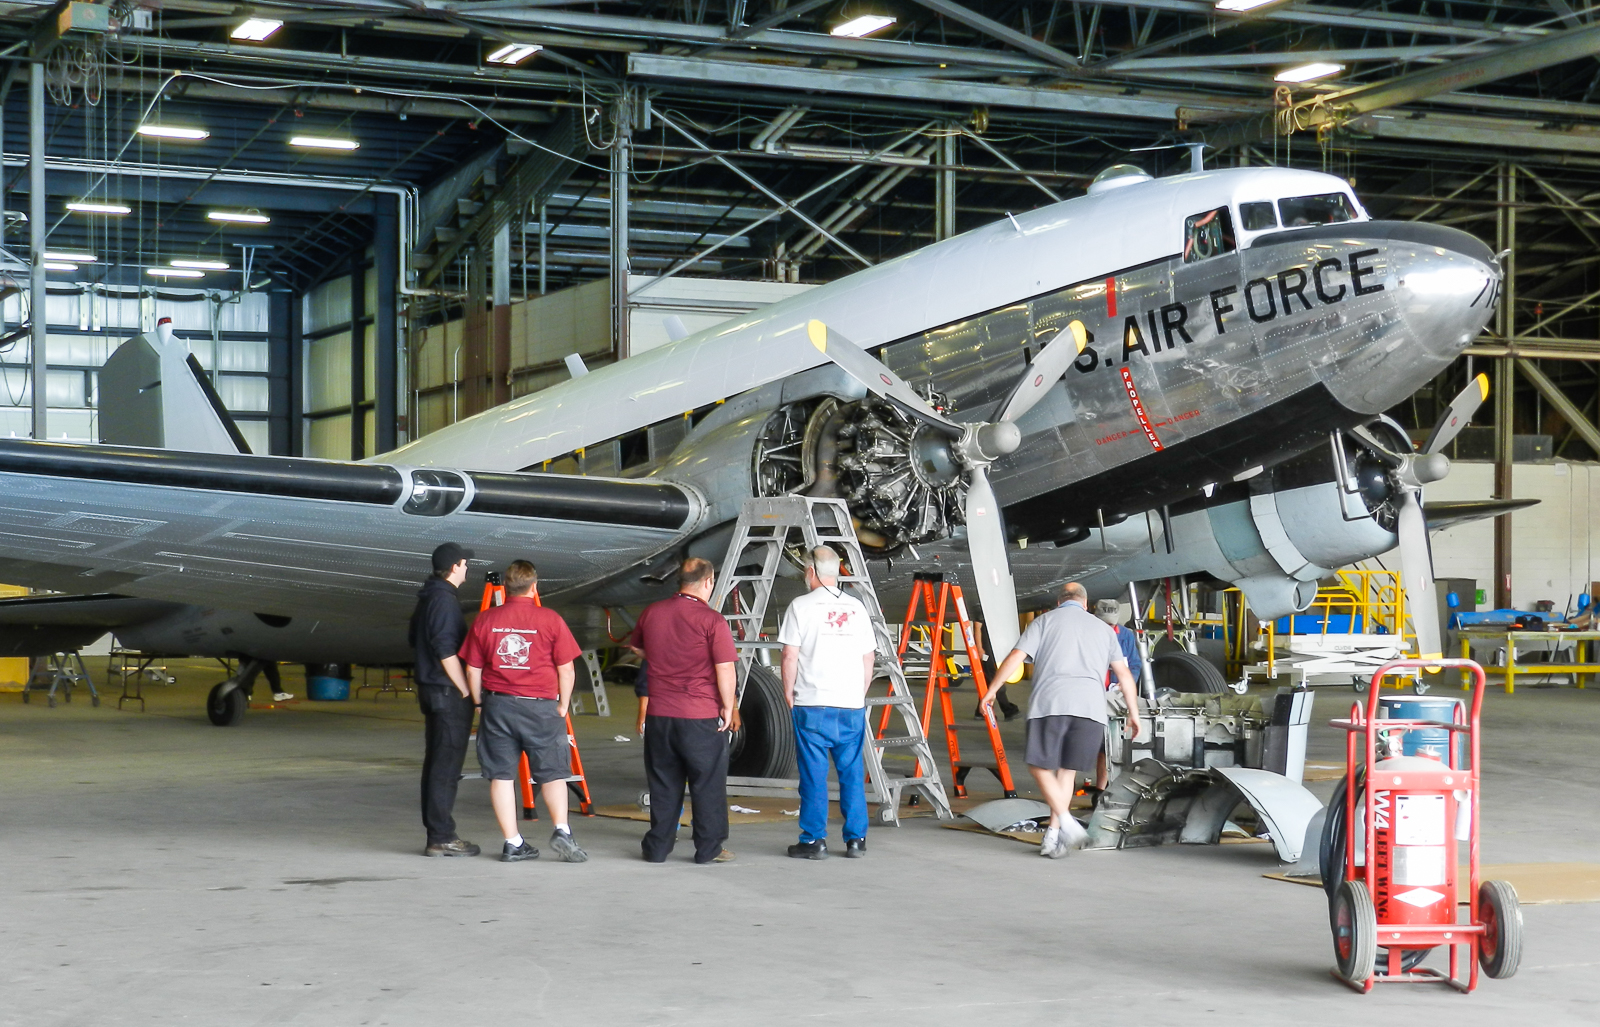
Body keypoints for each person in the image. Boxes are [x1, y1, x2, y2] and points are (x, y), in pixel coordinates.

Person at [983, 581, 1141, 859]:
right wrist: (1134, 712)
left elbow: (1016, 657)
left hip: (1050, 705)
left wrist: (992, 690)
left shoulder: (1043, 622)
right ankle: (1053, 836)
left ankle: (1066, 822)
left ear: (1059, 602)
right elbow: (1125, 674)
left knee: (1038, 765)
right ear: (1086, 603)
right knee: (1067, 772)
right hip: (1091, 709)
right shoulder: (1105, 630)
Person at [459, 559, 588, 864]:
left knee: (501, 775)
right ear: (534, 586)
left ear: (505, 586)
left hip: (498, 705)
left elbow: (473, 669)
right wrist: (563, 705)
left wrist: (478, 703)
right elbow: (567, 669)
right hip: (541, 707)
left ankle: (513, 842)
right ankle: (561, 830)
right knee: (552, 773)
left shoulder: (486, 620)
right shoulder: (550, 619)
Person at [628, 557, 739, 865]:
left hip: (660, 715)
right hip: (700, 716)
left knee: (664, 783)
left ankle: (657, 848)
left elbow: (636, 647)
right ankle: (708, 849)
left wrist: (663, 656)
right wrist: (728, 706)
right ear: (708, 582)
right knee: (707, 784)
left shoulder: (653, 612)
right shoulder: (712, 620)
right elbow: (725, 668)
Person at [778, 546, 878, 860]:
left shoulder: (800, 606)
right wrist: (858, 693)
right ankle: (856, 839)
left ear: (811, 572)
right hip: (850, 705)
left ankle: (813, 840)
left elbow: (789, 654)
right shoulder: (857, 607)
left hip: (812, 704)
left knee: (813, 775)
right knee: (851, 773)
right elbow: (868, 657)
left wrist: (788, 691)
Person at [408, 541, 480, 858]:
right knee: (446, 767)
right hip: (447, 693)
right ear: (454, 567)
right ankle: (441, 836)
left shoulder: (428, 596)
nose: (467, 568)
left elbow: (414, 639)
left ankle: (438, 833)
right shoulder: (444, 600)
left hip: (432, 690)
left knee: (437, 763)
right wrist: (464, 688)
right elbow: (445, 649)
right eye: (465, 564)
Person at [1091, 598, 1144, 796]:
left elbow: (1135, 664)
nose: (1108, 628)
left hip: (1113, 697)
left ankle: (1100, 790)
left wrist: (1127, 681)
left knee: (1107, 746)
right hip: (1090, 693)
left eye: (1111, 624)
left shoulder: (1126, 636)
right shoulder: (1086, 633)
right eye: (1104, 624)